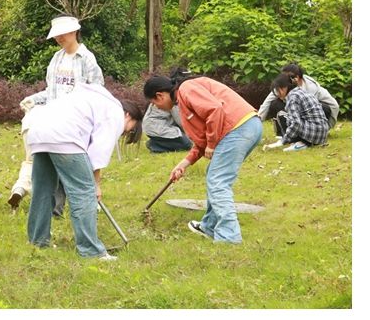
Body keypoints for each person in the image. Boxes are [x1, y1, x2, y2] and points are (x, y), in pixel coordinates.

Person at [23, 84, 142, 260]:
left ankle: (38, 241)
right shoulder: (115, 113)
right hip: (64, 136)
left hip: (38, 133)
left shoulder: (91, 97)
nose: (125, 132)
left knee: (42, 189)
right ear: (128, 115)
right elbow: (98, 154)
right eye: (130, 129)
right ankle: (91, 251)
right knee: (83, 192)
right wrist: (96, 185)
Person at [144, 71, 262, 243]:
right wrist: (183, 164)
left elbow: (215, 110)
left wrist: (212, 144)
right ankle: (210, 226)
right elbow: (201, 141)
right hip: (246, 127)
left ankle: (229, 237)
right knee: (213, 175)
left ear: (159, 95)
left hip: (239, 128)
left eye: (153, 103)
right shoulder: (183, 101)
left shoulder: (186, 88)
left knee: (218, 181)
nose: (156, 107)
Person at [9, 15, 105, 208]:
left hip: (77, 121)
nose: (59, 38)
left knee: (73, 164)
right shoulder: (56, 59)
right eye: (56, 35)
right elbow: (51, 91)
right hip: (54, 119)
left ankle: (85, 203)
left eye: (63, 34)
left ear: (74, 32)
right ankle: (55, 208)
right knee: (52, 160)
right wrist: (33, 99)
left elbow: (97, 90)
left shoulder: (86, 59)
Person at [257, 61, 339, 131]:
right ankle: (282, 131)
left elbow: (334, 105)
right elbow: (267, 103)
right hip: (292, 112)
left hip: (309, 114)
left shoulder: (311, 87)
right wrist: (258, 122)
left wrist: (327, 127)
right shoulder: (282, 85)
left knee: (325, 108)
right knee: (275, 104)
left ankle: (308, 131)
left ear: (297, 77)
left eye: (287, 77)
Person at [265, 72, 329, 150]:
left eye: (278, 90)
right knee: (290, 116)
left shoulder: (292, 97)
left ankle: (300, 143)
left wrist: (283, 141)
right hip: (322, 135)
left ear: (284, 88)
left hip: (313, 134)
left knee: (282, 115)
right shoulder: (301, 91)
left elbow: (296, 123)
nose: (277, 94)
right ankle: (303, 142)